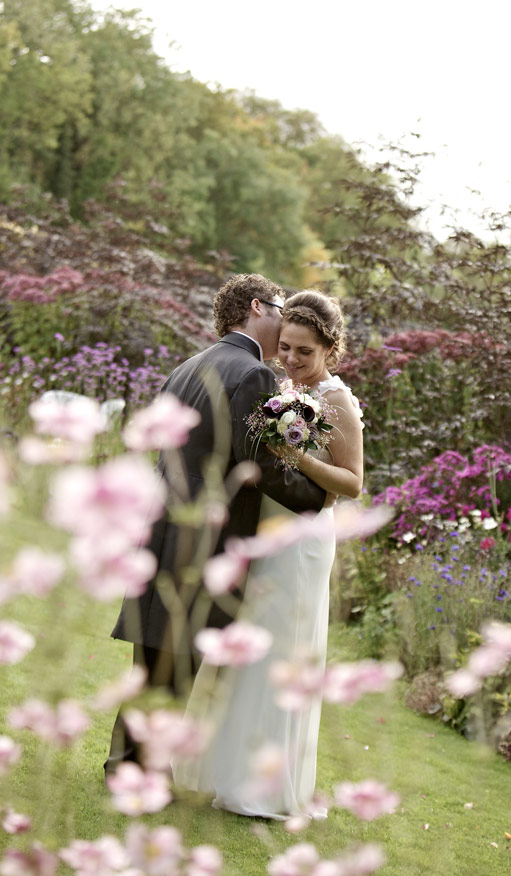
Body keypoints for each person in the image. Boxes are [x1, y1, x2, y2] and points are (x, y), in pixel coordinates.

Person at [105, 275, 328, 776]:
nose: (284, 321)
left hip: (161, 532)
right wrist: (320, 498)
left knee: (152, 664)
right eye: (280, 308)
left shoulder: (188, 366)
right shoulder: (252, 374)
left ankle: (126, 766)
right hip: (204, 541)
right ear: (256, 308)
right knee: (176, 667)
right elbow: (259, 464)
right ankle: (138, 773)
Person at [172, 289, 364, 819]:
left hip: (301, 542)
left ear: (330, 348)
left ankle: (264, 788)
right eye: (286, 348)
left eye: (305, 351)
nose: (292, 360)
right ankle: (221, 771)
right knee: (247, 652)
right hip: (265, 533)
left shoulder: (338, 400)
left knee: (282, 652)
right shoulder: (280, 389)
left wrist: (295, 453)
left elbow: (352, 483)